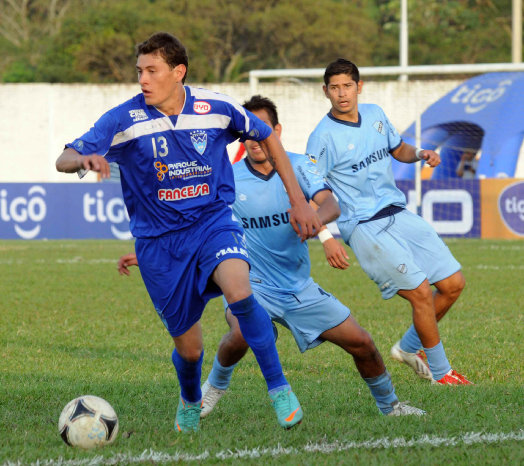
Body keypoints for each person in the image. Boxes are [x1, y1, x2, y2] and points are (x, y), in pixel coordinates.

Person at [56, 32, 322, 433]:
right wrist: (84, 157)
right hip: (159, 244)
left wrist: (298, 199)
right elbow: (63, 158)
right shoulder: (122, 120)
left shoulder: (215, 107)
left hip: (212, 222)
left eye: (152, 70)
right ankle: (190, 398)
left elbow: (266, 136)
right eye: (139, 71)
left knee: (240, 291)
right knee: (190, 347)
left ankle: (279, 389)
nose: (143, 79)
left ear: (178, 72)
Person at [120, 95, 426, 418]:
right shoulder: (228, 175)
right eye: (248, 132)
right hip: (251, 283)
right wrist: (158, 254)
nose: (254, 138)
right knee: (241, 331)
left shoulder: (299, 166)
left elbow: (331, 204)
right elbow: (193, 221)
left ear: (276, 130)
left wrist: (316, 221)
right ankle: (213, 387)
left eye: (262, 129)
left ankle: (390, 406)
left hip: (297, 286)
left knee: (362, 342)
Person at [306, 58, 472, 386]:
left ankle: (408, 348)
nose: (342, 94)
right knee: (422, 293)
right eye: (334, 88)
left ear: (359, 87)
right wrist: (326, 236)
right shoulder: (321, 138)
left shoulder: (376, 114)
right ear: (325, 92)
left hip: (398, 213)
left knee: (453, 285)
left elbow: (398, 149)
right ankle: (442, 374)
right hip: (364, 226)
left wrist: (421, 153)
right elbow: (312, 193)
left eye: (347, 86)